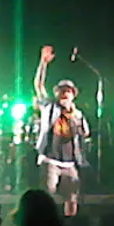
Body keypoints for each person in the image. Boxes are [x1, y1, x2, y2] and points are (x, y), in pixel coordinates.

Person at [33, 45, 90, 217]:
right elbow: (38, 85)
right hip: (50, 159)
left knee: (72, 197)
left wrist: (75, 116)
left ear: (73, 95)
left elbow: (85, 133)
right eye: (62, 91)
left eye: (68, 92)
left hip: (70, 162)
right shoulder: (49, 106)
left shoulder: (77, 114)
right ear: (57, 93)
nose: (65, 94)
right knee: (46, 197)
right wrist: (43, 63)